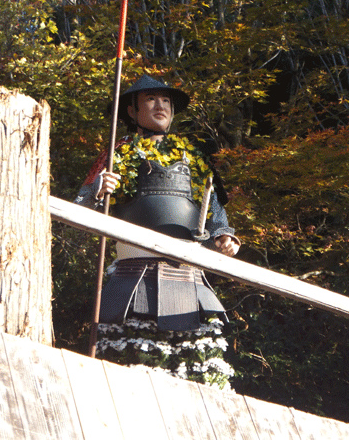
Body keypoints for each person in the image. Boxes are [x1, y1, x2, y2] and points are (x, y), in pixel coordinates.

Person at [75, 75, 240, 387]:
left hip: (189, 275)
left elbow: (215, 210)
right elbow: (80, 209)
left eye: (166, 100)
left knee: (196, 363)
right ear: (132, 110)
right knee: (125, 369)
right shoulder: (116, 153)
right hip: (133, 275)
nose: (160, 106)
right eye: (151, 99)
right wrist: (97, 192)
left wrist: (224, 236)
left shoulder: (193, 155)